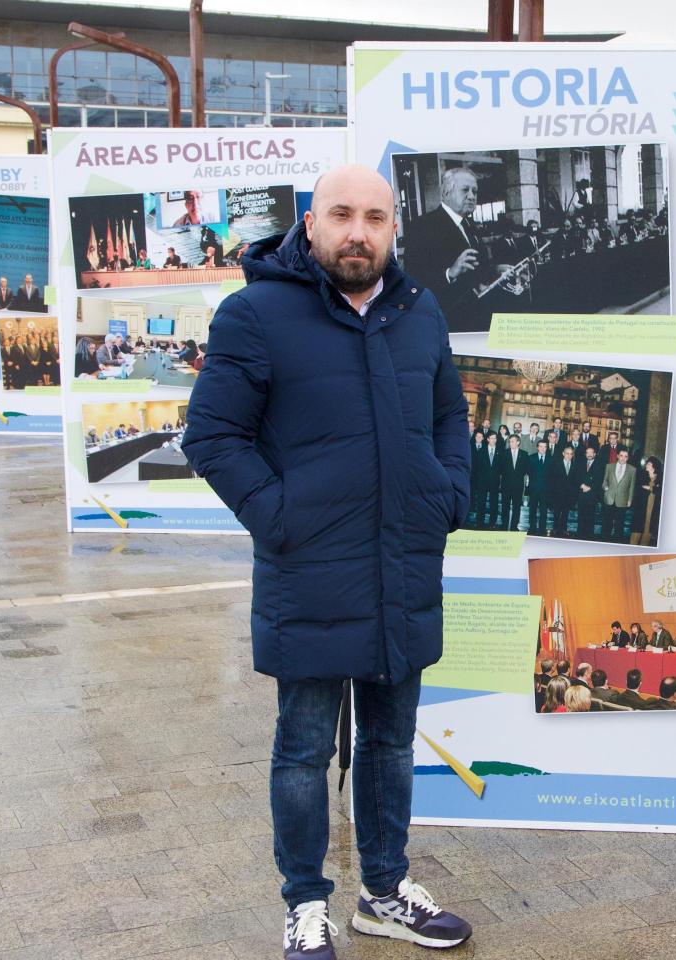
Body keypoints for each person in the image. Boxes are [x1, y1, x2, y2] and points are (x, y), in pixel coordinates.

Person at [182, 164, 473, 960]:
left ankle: (383, 892)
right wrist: (278, 518)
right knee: (304, 749)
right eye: (341, 215)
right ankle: (305, 902)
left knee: (390, 745)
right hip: (310, 570)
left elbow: (451, 417)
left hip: (403, 566)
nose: (358, 232)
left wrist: (448, 496)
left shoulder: (418, 313)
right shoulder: (256, 314)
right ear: (309, 226)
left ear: (393, 229)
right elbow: (211, 436)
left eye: (375, 217)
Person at [402, 166, 495, 334]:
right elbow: (413, 281)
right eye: (465, 190)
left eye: (475, 191)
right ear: (446, 193)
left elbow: (478, 268)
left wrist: (496, 270)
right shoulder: (422, 226)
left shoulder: (470, 225)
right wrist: (449, 273)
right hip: (447, 323)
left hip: (478, 318)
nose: (472, 196)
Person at [601, 449, 637, 542]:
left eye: (625, 456)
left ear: (628, 458)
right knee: (607, 523)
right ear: (618, 456)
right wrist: (605, 488)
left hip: (622, 500)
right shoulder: (609, 466)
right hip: (609, 498)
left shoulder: (632, 470)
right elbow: (605, 480)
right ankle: (604, 542)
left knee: (619, 524)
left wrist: (630, 500)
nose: (623, 458)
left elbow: (632, 486)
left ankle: (617, 543)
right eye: (621, 455)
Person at [546, 445, 581, 537]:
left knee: (565, 513)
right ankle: (555, 529)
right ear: (563, 454)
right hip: (557, 494)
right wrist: (551, 495)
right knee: (557, 513)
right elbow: (551, 480)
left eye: (571, 454)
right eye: (567, 453)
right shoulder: (556, 464)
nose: (569, 456)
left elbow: (576, 481)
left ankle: (564, 529)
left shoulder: (575, 466)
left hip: (569, 495)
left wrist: (574, 496)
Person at [497, 434, 528, 531]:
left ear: (518, 442)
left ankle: (514, 526)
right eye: (510, 441)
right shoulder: (504, 453)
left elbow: (525, 470)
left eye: (513, 441)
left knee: (517, 507)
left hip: (518, 485)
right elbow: (500, 469)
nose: (511, 443)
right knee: (505, 506)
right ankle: (504, 525)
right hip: (506, 485)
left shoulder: (524, 454)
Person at [631, 456, 662, 547]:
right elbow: (639, 488)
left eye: (649, 464)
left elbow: (660, 491)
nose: (646, 465)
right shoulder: (642, 475)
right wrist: (654, 489)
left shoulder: (660, 477)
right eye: (647, 463)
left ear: (654, 466)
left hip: (653, 507)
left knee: (648, 528)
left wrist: (650, 488)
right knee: (637, 527)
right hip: (641, 506)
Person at [475, 432, 502, 529]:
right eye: (492, 438)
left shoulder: (500, 451)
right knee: (481, 502)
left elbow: (501, 468)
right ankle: (479, 523)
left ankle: (492, 523)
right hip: (482, 481)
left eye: (495, 438)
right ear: (487, 439)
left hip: (494, 482)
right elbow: (477, 467)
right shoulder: (481, 451)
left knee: (493, 503)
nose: (494, 440)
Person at [575, 445, 603, 538]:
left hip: (592, 494)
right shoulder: (580, 463)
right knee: (581, 515)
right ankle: (580, 535)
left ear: (595, 454)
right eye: (588, 453)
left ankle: (589, 536)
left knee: (590, 516)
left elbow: (600, 479)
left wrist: (590, 487)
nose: (590, 454)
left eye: (591, 452)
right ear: (585, 454)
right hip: (581, 493)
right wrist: (582, 485)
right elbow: (576, 476)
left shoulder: (599, 464)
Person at [525, 438, 551, 536]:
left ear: (547, 448)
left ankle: (542, 529)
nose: (543, 449)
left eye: (545, 447)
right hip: (534, 489)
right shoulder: (531, 458)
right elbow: (528, 471)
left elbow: (552, 475)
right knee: (532, 509)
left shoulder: (550, 459)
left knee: (543, 511)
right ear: (537, 447)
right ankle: (532, 528)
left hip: (545, 490)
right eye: (541, 446)